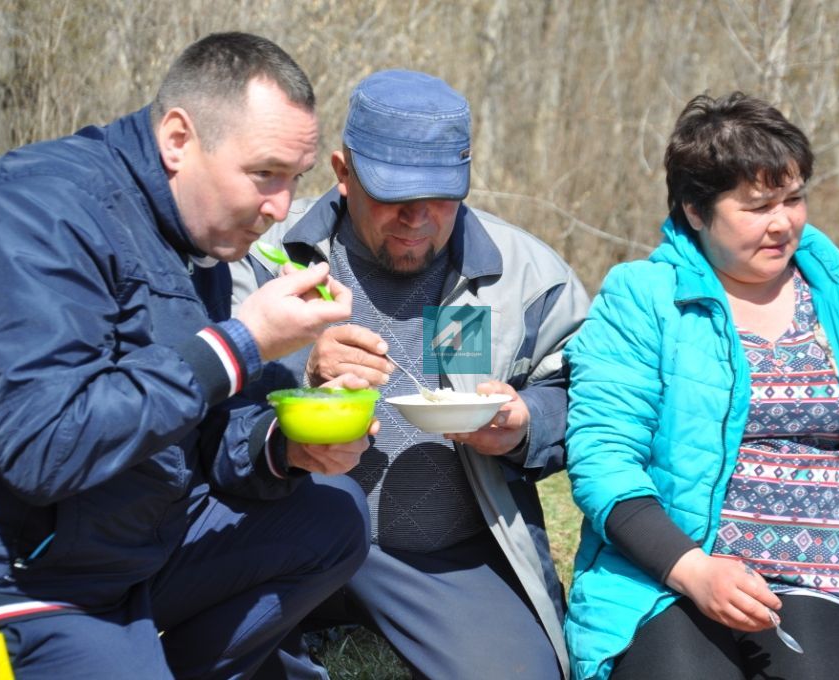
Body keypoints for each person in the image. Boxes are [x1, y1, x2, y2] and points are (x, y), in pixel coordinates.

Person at [0, 32, 379, 678]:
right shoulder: (34, 213)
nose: (280, 208)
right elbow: (46, 447)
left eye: (294, 180)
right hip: (8, 583)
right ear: (179, 139)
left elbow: (197, 430)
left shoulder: (191, 234)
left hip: (125, 559)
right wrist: (242, 343)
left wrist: (281, 447)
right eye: (265, 174)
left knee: (332, 518)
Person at [562, 91, 839, 680]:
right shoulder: (641, 298)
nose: (783, 223)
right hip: (669, 575)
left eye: (794, 199)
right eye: (756, 207)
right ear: (696, 212)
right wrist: (692, 569)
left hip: (828, 578)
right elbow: (603, 456)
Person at [231, 69, 591, 679]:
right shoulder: (265, 255)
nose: (418, 218)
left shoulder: (520, 275)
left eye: (441, 196)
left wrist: (527, 424)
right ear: (343, 175)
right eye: (393, 196)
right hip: (283, 534)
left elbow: (588, 391)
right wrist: (301, 370)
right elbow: (199, 394)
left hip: (444, 555)